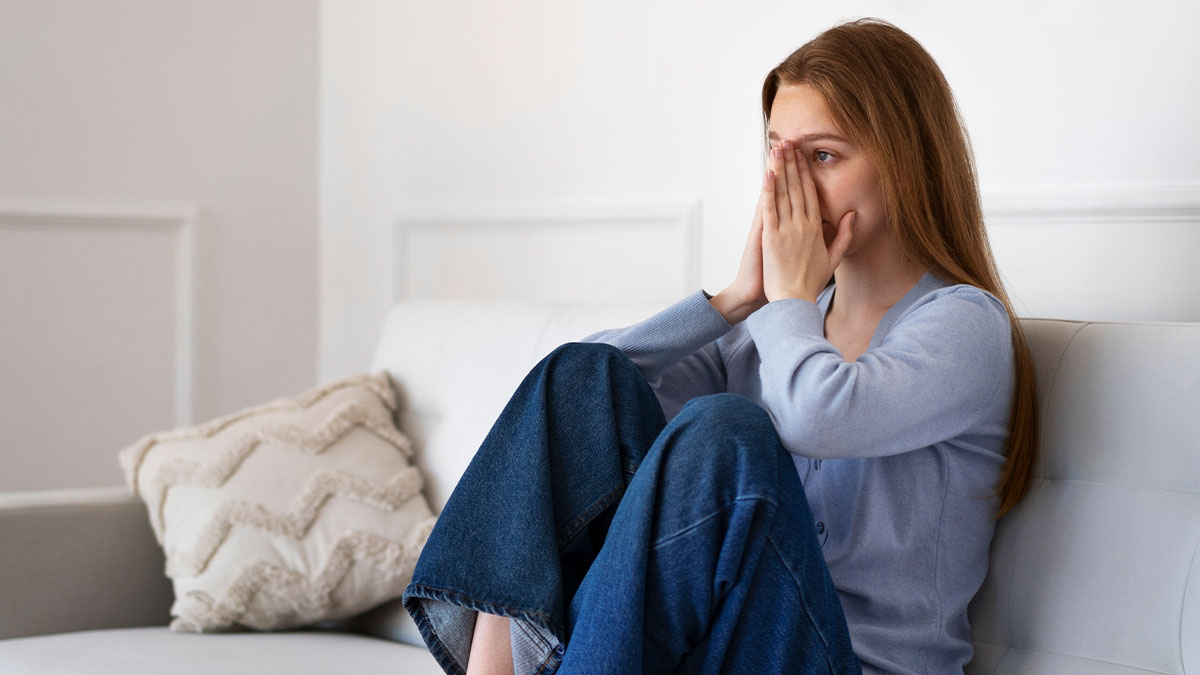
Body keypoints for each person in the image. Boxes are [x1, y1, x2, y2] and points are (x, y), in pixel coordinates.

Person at [402, 16, 1038, 675]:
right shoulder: (773, 323)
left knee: (726, 431)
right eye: (778, 155)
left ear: (905, 165)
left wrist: (787, 298)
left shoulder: (964, 324)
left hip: (853, 664)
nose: (788, 187)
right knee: (582, 372)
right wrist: (736, 299)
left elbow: (818, 414)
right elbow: (588, 390)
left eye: (820, 156)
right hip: (730, 652)